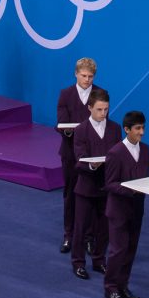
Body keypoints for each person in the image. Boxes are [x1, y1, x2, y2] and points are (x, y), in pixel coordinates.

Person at [103, 110, 149, 298]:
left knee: (131, 249)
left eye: (143, 128)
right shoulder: (115, 153)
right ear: (126, 129)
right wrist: (132, 190)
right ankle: (111, 288)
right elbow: (110, 184)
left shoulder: (146, 150)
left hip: (137, 209)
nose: (142, 132)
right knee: (118, 250)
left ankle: (123, 285)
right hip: (118, 210)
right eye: (138, 128)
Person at [71, 88, 120, 282]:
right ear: (90, 108)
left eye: (106, 109)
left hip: (106, 188)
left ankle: (99, 260)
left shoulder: (115, 129)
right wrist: (92, 164)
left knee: (104, 227)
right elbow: (80, 158)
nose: (103, 113)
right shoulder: (81, 130)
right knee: (81, 227)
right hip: (86, 187)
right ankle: (78, 262)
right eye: (99, 109)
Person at [57, 57, 102, 254]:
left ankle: (90, 238)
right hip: (70, 154)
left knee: (93, 196)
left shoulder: (101, 94)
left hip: (92, 155)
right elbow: (61, 123)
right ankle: (69, 235)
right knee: (70, 195)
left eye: (90, 76)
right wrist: (71, 132)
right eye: (83, 76)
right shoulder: (65, 94)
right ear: (76, 74)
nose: (87, 80)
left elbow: (102, 122)